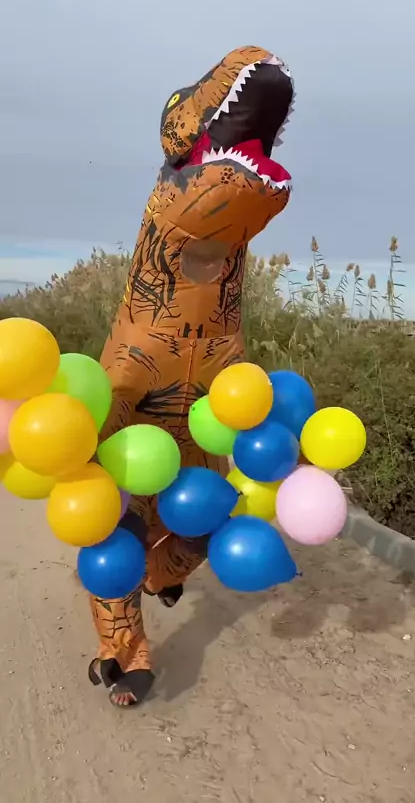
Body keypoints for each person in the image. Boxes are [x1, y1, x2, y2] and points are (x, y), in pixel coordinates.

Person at [88, 45, 294, 707]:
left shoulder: (232, 315)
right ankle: (124, 648)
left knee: (205, 523)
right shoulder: (167, 207)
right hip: (141, 388)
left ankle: (160, 574)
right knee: (112, 525)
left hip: (208, 390)